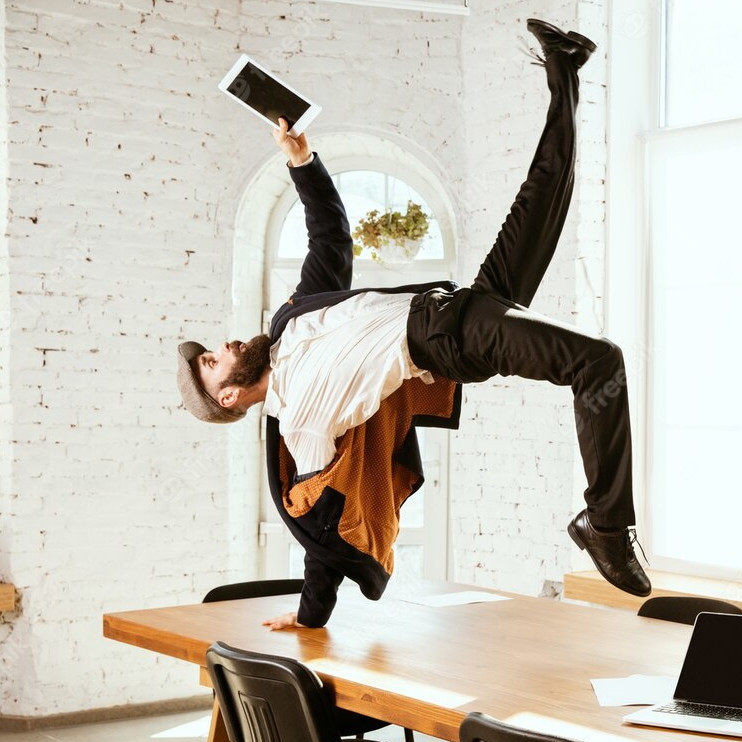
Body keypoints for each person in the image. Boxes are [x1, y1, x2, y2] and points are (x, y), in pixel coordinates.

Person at [177, 19, 652, 630]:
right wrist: (312, 614)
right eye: (213, 362)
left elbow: (330, 239)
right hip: (447, 340)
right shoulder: (300, 425)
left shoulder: (292, 319)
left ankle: (563, 68)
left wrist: (302, 162)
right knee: (598, 360)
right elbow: (322, 526)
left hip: (459, 303)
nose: (223, 346)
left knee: (543, 198)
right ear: (229, 397)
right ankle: (605, 526)